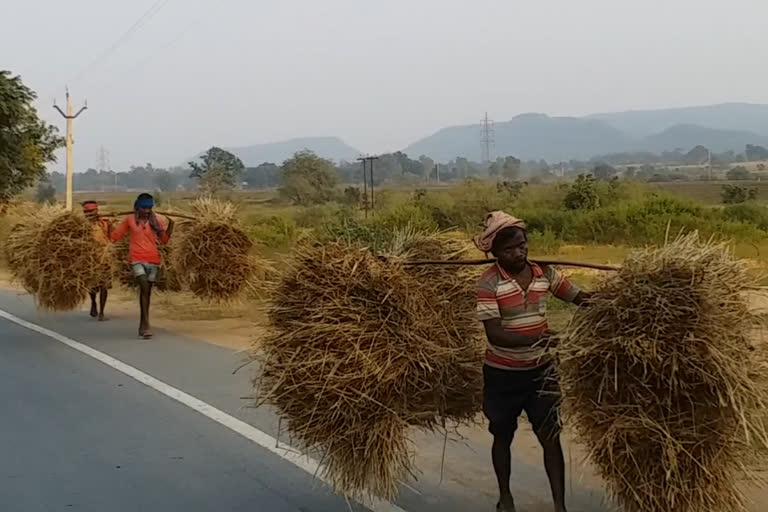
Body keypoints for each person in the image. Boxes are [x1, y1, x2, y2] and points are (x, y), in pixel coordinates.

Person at [473, 211, 591, 512]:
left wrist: (622, 296)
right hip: (503, 375)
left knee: (551, 437)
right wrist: (538, 340)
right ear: (495, 253)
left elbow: (580, 298)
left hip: (542, 372)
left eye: (522, 245)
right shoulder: (488, 284)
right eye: (510, 249)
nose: (519, 252)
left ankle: (560, 506)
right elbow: (495, 335)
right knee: (502, 435)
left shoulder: (545, 274)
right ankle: (506, 497)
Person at [110, 193, 174, 339]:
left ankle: (143, 323)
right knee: (144, 285)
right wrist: (109, 225)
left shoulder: (156, 220)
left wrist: (171, 225)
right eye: (144, 208)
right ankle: (145, 324)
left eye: (149, 208)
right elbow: (114, 237)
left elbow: (164, 240)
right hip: (136, 259)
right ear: (137, 208)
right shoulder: (129, 220)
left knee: (147, 292)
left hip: (153, 260)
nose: (147, 211)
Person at [82, 201, 112, 321]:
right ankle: (93, 302)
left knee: (104, 286)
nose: (89, 214)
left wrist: (111, 225)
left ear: (96, 211)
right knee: (92, 287)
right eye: (86, 212)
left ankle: (102, 312)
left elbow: (112, 237)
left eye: (91, 211)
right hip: (89, 260)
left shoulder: (104, 224)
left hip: (105, 259)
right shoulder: (81, 226)